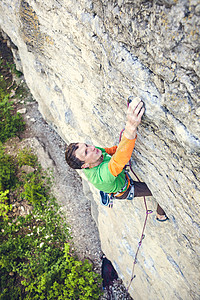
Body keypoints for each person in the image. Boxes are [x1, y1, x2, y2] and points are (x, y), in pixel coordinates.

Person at [65, 97, 168, 221]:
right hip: (126, 189)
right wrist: (130, 127)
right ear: (85, 165)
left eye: (86, 145)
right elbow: (119, 159)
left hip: (117, 177)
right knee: (160, 192)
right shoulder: (101, 177)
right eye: (86, 152)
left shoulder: (95, 153)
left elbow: (113, 151)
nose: (91, 147)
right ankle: (160, 215)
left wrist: (126, 139)